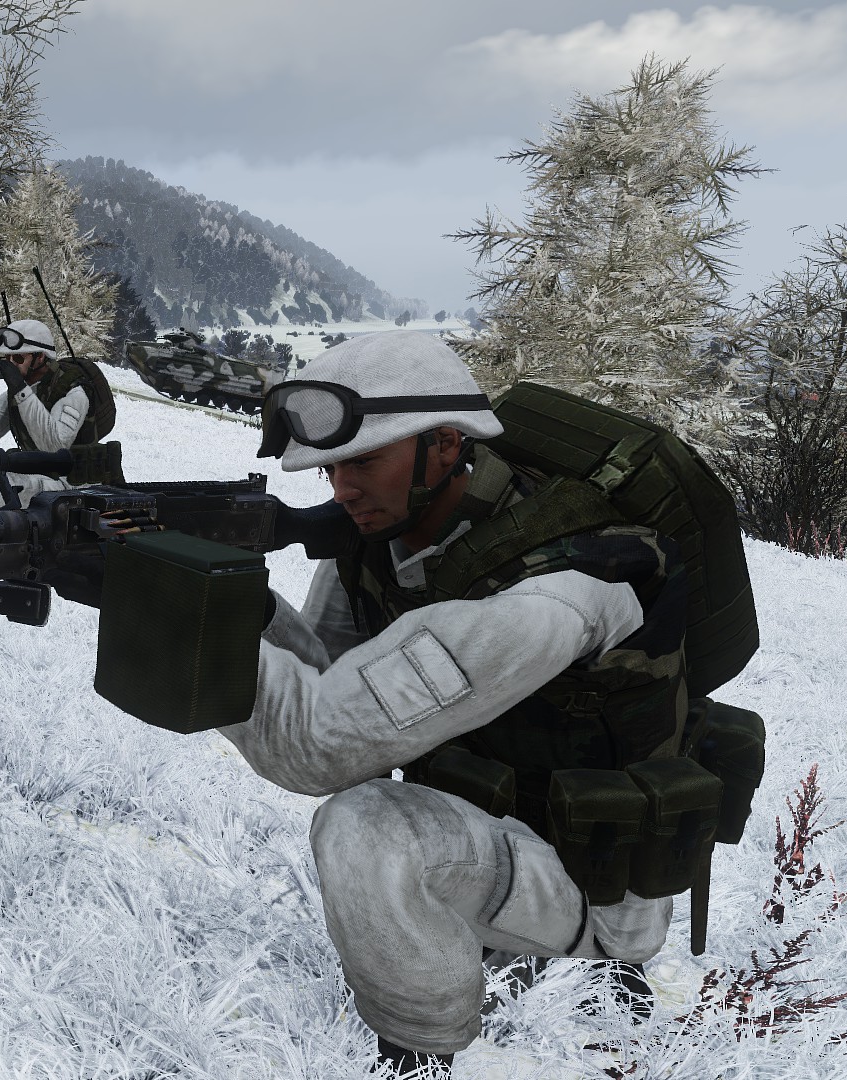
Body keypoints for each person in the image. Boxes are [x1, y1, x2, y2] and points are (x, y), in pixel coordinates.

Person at [220, 331, 689, 1075]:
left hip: (590, 884)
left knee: (364, 827)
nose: (341, 490)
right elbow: (337, 683)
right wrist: (240, 601)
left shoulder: (563, 586)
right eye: (334, 467)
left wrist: (186, 616)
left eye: (363, 462)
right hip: (478, 831)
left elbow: (320, 747)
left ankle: (420, 1057)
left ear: (445, 444)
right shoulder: (385, 539)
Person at [0, 318, 115, 508]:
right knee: (6, 481)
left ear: (40, 357)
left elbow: (55, 447)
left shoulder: (74, 391)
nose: (11, 365)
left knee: (22, 486)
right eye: (7, 359)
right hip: (44, 475)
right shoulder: (22, 391)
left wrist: (20, 389)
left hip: (77, 486)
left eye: (18, 359)